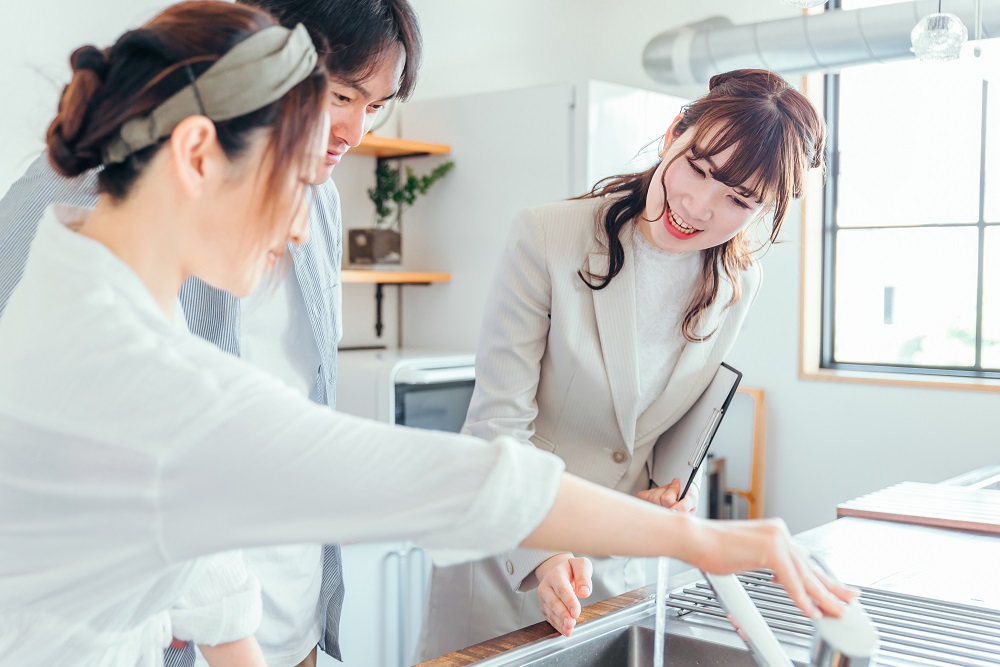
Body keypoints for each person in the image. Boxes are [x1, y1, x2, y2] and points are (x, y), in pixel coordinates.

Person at [0, 14, 858, 664]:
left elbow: (197, 543)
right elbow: (452, 479)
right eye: (300, 180)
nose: (303, 233)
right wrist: (704, 538)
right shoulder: (155, 382)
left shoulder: (64, 276)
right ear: (195, 156)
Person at [0, 0, 421, 665]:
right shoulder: (87, 201)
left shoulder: (322, 201)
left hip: (286, 617)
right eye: (342, 95)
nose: (354, 130)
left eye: (375, 107)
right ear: (264, 58)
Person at [417, 68, 829, 660]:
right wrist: (545, 550)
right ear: (673, 135)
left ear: (765, 209)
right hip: (509, 553)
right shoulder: (548, 237)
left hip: (617, 566)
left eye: (737, 199)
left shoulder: (738, 282)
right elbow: (496, 427)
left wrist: (665, 495)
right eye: (698, 168)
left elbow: (652, 432)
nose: (696, 204)